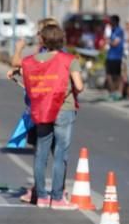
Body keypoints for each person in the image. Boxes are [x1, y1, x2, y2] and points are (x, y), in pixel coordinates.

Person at [20, 25, 83, 210]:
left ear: (43, 41)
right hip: (64, 109)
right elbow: (78, 86)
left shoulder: (31, 61)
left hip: (42, 109)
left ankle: (40, 196)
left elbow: (27, 83)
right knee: (60, 154)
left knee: (41, 153)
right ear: (61, 39)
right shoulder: (69, 60)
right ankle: (57, 198)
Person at [105, 14, 124, 101]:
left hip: (117, 56)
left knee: (117, 76)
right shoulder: (112, 30)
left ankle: (119, 92)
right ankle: (112, 92)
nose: (110, 23)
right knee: (109, 75)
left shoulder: (119, 31)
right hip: (110, 56)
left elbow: (115, 43)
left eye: (111, 21)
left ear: (115, 21)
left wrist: (108, 41)